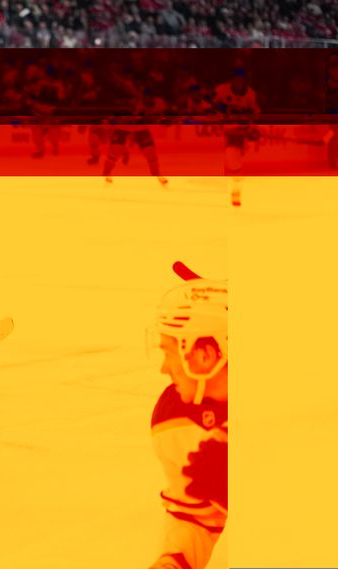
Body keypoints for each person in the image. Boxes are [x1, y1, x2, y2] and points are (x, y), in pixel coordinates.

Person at [147, 278, 228, 569]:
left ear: (204, 356)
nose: (163, 368)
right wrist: (174, 562)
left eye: (169, 353)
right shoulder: (175, 422)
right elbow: (196, 519)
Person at [212, 66, 260, 206]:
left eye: (241, 79)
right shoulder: (221, 90)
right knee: (228, 161)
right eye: (236, 79)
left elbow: (254, 114)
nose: (238, 82)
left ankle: (236, 191)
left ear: (244, 80)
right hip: (223, 130)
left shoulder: (250, 94)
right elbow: (211, 104)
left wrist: (252, 128)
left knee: (233, 159)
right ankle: (232, 184)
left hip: (238, 132)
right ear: (231, 80)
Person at [103, 88, 168, 187]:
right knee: (114, 152)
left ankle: (157, 174)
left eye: (150, 97)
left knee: (151, 153)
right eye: (147, 97)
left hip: (140, 128)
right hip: (123, 127)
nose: (149, 99)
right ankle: (105, 174)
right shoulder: (134, 103)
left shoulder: (157, 103)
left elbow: (156, 116)